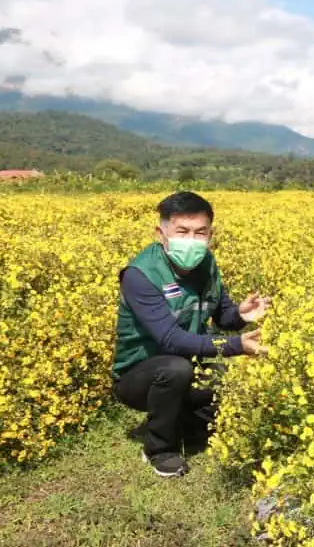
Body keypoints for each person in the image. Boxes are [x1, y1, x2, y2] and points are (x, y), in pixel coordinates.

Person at [111, 191, 270, 478]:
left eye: (200, 232)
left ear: (211, 234)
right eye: (182, 231)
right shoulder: (140, 274)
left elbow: (222, 315)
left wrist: (241, 315)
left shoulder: (207, 264)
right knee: (175, 369)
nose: (192, 240)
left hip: (187, 363)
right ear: (161, 233)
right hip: (139, 376)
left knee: (222, 376)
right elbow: (170, 340)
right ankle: (159, 449)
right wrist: (236, 345)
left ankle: (182, 421)